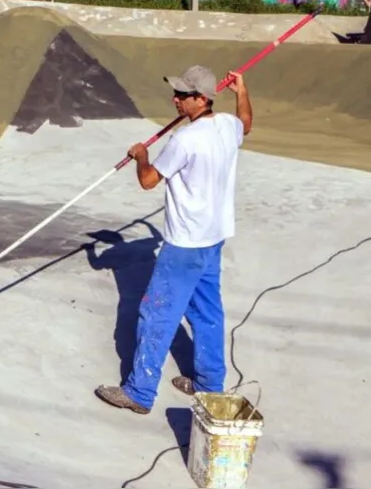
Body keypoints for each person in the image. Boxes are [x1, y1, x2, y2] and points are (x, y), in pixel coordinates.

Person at [94, 65, 253, 415]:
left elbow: (149, 180)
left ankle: (139, 392)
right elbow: (246, 122)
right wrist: (242, 91)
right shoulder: (227, 126)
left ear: (202, 98)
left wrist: (142, 156)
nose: (176, 100)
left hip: (185, 244)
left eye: (183, 95)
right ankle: (209, 384)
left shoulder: (184, 140)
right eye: (177, 93)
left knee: (157, 313)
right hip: (213, 238)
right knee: (207, 311)